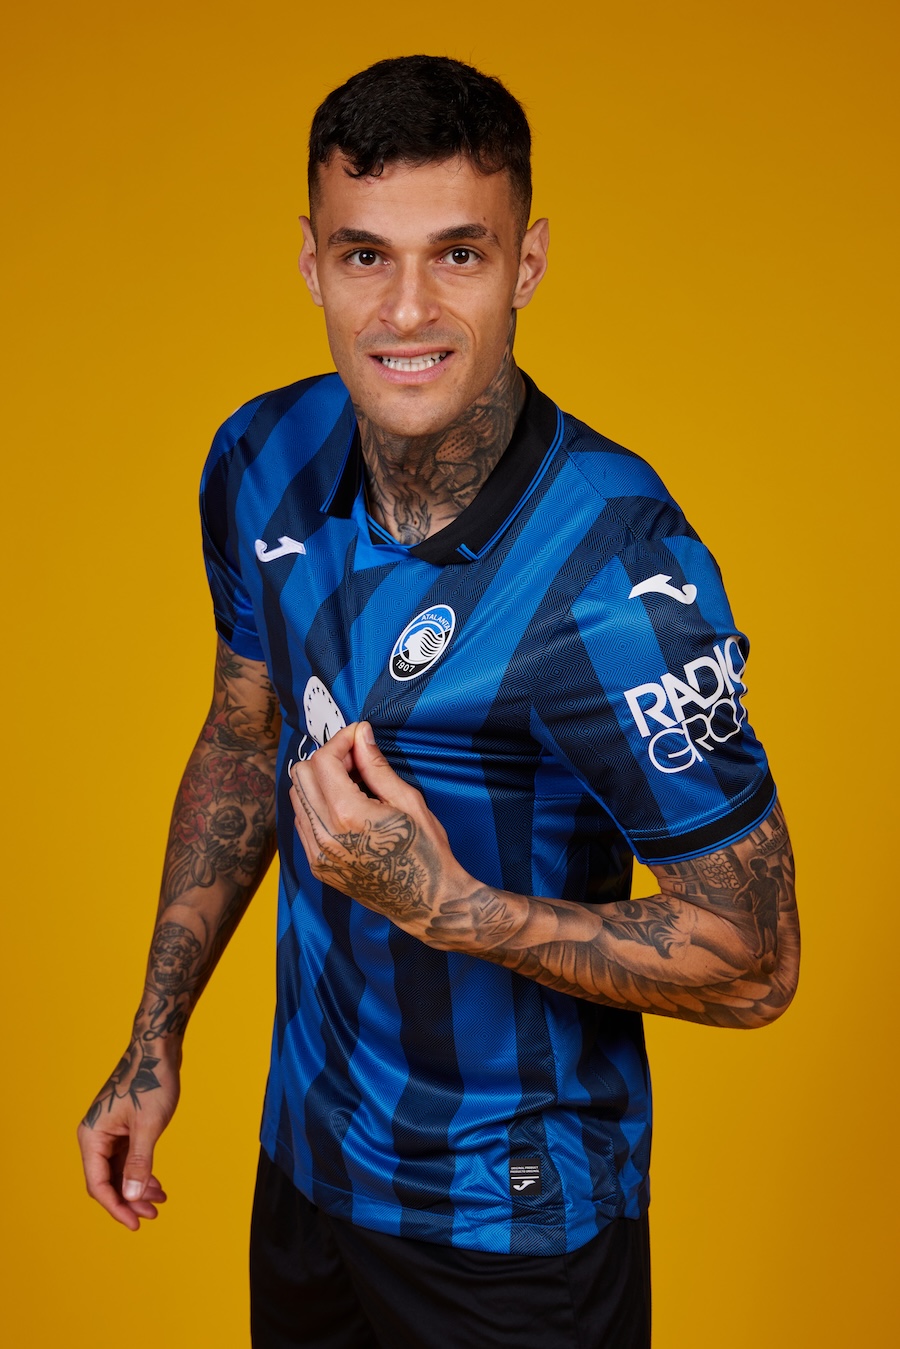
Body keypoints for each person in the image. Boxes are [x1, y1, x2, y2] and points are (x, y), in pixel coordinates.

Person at [78, 54, 800, 1349]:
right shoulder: (261, 457)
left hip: (511, 1227)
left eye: (458, 254)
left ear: (527, 264)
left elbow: (757, 961)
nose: (406, 309)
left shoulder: (617, 575)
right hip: (308, 1169)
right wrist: (153, 1034)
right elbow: (245, 735)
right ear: (312, 263)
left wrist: (448, 905)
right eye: (366, 255)